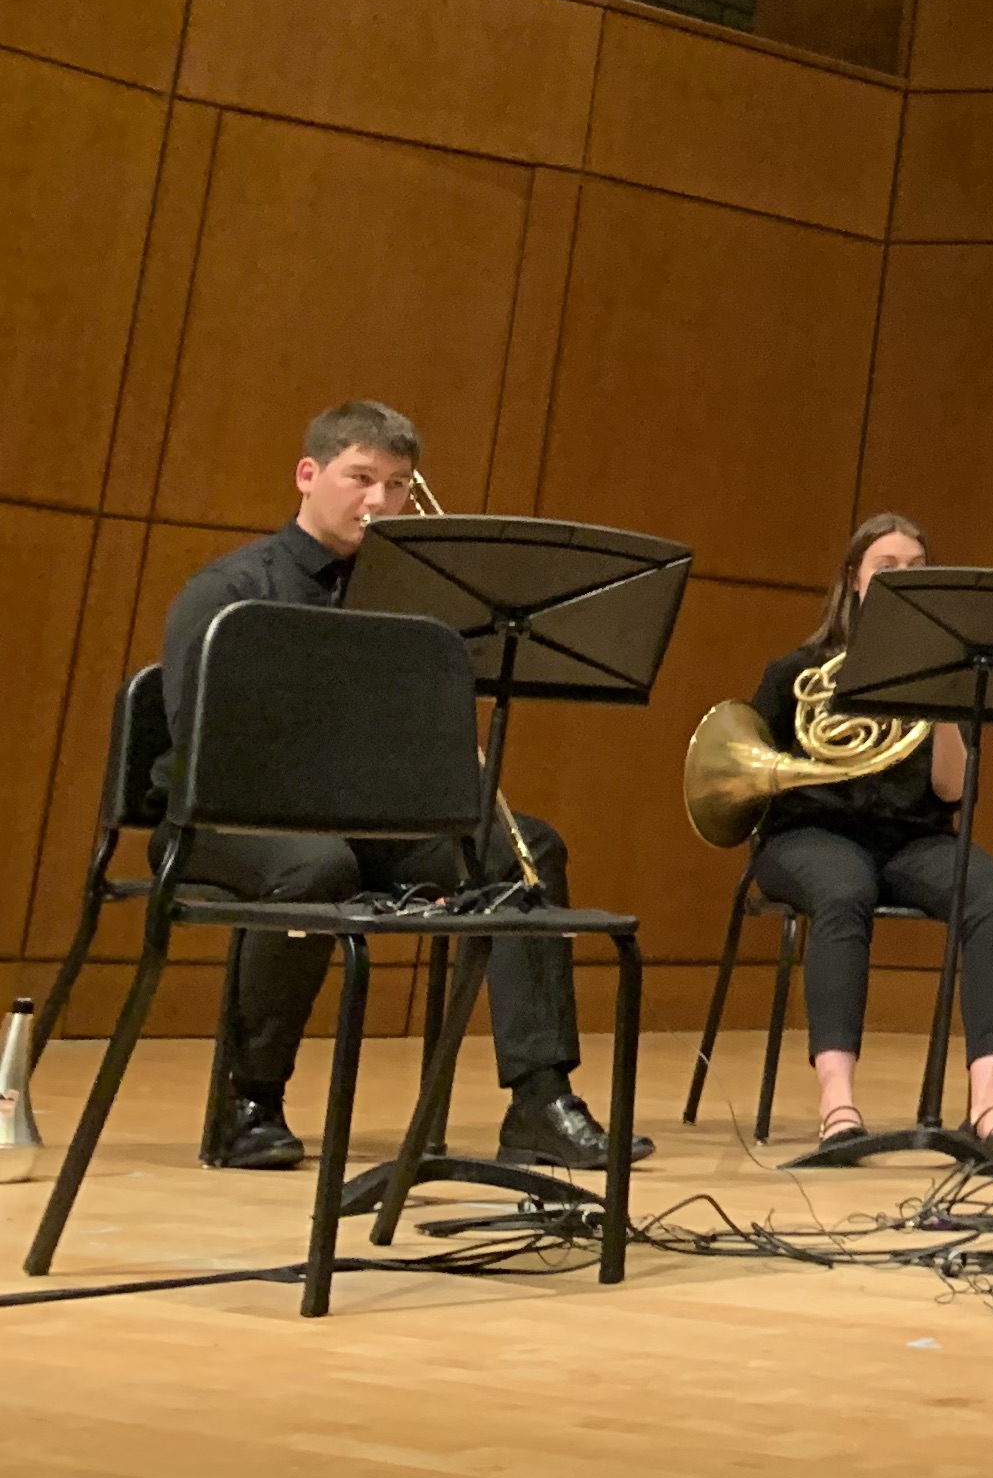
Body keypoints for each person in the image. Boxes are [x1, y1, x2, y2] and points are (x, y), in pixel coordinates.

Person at [156, 400, 641, 1174]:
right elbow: (203, 738)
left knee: (522, 850)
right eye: (361, 479)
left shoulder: (415, 603)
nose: (381, 504)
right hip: (227, 812)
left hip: (364, 819)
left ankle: (540, 1101)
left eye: (399, 487)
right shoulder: (232, 590)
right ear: (308, 475)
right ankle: (247, 1102)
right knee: (315, 869)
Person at [742, 513, 993, 1163]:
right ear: (854, 579)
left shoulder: (938, 677)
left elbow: (953, 792)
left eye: (917, 570)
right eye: (888, 569)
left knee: (992, 897)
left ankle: (988, 1104)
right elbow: (751, 776)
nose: (904, 580)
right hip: (808, 835)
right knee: (843, 893)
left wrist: (947, 696)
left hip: (911, 839)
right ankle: (837, 1104)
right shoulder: (797, 673)